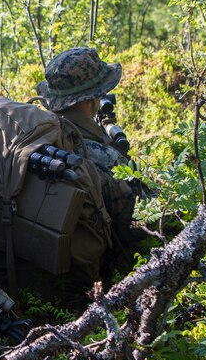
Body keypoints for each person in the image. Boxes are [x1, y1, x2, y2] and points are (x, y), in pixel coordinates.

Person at [36, 47, 140, 251]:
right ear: (92, 99)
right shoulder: (107, 159)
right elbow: (135, 222)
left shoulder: (41, 137)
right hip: (97, 270)